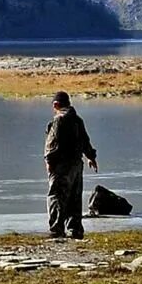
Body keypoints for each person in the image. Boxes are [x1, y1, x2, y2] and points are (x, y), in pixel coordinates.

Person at [43, 90, 97, 239]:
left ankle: (57, 229)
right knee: (75, 196)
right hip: (76, 165)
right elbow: (85, 140)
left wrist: (49, 161)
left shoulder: (58, 120)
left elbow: (52, 143)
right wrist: (91, 157)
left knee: (56, 196)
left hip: (61, 165)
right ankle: (75, 230)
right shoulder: (77, 120)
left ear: (56, 104)